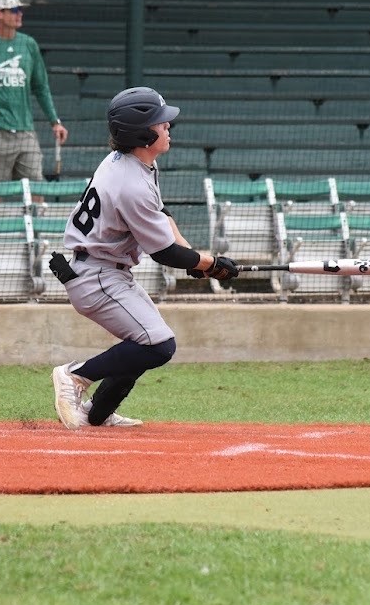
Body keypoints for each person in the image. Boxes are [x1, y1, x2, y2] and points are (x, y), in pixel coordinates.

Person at [47, 87, 239, 430]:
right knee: (158, 346)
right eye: (161, 123)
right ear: (142, 133)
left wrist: (199, 260)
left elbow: (162, 217)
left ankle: (96, 415)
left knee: (146, 341)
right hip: (98, 277)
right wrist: (208, 264)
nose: (168, 128)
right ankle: (74, 376)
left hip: (104, 271)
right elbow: (164, 252)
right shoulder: (130, 181)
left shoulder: (132, 163)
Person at [0, 0, 69, 182]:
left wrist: (55, 122)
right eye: (14, 10)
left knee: (37, 187)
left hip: (25, 130)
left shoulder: (28, 44)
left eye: (20, 10)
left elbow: (41, 86)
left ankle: (39, 214)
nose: (19, 14)